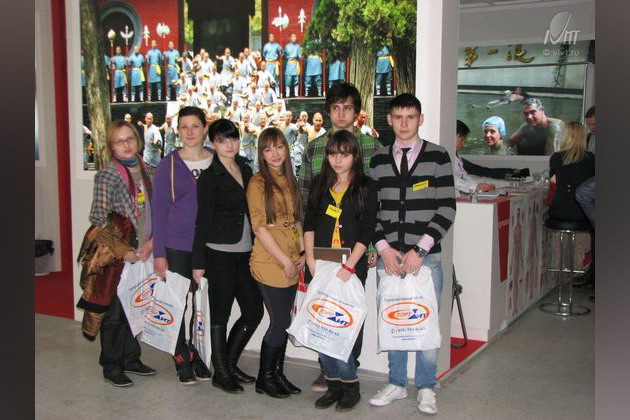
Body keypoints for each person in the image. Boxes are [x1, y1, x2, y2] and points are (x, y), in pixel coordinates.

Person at [368, 94, 456, 415]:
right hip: (389, 257)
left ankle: (427, 386)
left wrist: (420, 249)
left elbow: (446, 208)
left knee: (425, 323)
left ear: (421, 119)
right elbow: (371, 210)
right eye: (398, 117)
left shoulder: (438, 156)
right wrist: (383, 248)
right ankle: (396, 383)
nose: (404, 124)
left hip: (426, 258)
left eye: (410, 117)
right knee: (393, 319)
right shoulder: (378, 160)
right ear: (389, 120)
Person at [297, 82, 381, 392]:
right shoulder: (315, 148)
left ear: (357, 112)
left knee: (349, 309)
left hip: (355, 249)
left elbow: (375, 206)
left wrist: (372, 246)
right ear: (328, 111)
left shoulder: (373, 147)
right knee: (322, 308)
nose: (341, 114)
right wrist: (306, 252)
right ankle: (328, 371)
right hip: (321, 250)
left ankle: (349, 369)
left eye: (347, 108)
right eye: (335, 108)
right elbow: (305, 202)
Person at [82, 120, 157, 387]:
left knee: (134, 307)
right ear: (111, 147)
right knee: (114, 312)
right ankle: (111, 364)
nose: (126, 145)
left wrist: (152, 243)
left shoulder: (149, 170)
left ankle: (131, 357)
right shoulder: (108, 176)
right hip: (117, 255)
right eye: (119, 141)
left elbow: (158, 212)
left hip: (144, 250)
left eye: (130, 139)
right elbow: (98, 221)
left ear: (138, 140)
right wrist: (124, 251)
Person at [192, 119, 264, 394]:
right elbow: (201, 220)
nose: (229, 144)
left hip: (245, 251)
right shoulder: (209, 177)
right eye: (222, 140)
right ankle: (220, 372)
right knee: (220, 313)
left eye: (233, 138)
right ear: (213, 143)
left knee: (253, 311)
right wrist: (198, 261)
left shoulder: (245, 168)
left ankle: (230, 363)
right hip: (218, 252)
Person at [151, 106, 214, 385]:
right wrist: (159, 254)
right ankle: (179, 355)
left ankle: (196, 351)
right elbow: (158, 211)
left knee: (201, 304)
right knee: (178, 303)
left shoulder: (216, 159)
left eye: (195, 126)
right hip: (177, 245)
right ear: (178, 130)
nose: (190, 132)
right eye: (184, 127)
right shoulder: (168, 165)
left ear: (205, 129)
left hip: (209, 247)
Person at [246, 128, 305, 399]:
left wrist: (301, 253)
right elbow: (259, 228)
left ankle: (277, 375)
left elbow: (296, 221)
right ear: (261, 153)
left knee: (285, 321)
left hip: (292, 260)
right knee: (279, 321)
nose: (274, 154)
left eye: (279, 147)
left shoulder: (290, 179)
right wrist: (284, 260)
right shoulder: (258, 183)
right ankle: (265, 378)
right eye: (268, 149)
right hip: (270, 262)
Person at [548, 122, 595, 282]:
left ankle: (557, 267)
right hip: (581, 212)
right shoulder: (592, 159)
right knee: (586, 226)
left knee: (559, 234)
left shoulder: (556, 158)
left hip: (559, 211)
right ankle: (577, 268)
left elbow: (553, 181)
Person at [456, 120, 529, 181]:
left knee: (482, 170)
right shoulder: (454, 159)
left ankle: (514, 173)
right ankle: (514, 173)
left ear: (501, 133)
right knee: (482, 170)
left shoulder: (504, 151)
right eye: (485, 132)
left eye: (492, 131)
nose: (488, 135)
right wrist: (475, 186)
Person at [454, 120, 496, 194]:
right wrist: (475, 186)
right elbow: (453, 180)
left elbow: (464, 176)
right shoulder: (445, 157)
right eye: (462, 139)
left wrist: (479, 186)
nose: (463, 143)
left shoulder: (456, 157)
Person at [283, 34, 302, 98]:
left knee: (296, 79)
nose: (294, 38)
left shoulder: (297, 46)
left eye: (295, 37)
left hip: (295, 63)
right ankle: (287, 94)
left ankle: (296, 93)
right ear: (290, 38)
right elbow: (284, 55)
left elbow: (299, 55)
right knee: (288, 79)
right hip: (289, 63)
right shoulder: (287, 46)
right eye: (293, 37)